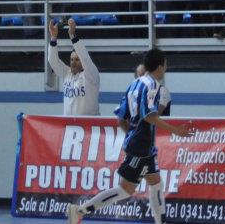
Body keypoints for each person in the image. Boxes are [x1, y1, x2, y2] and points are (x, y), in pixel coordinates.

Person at [66, 48, 192, 224]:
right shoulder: (152, 85)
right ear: (159, 67)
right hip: (141, 146)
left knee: (156, 184)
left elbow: (121, 118)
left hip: (143, 146)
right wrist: (175, 131)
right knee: (125, 190)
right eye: (165, 65)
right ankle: (80, 211)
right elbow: (149, 116)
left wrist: (132, 135)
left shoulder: (135, 84)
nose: (165, 69)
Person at [47, 18, 100, 116]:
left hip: (89, 124)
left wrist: (72, 35)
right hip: (69, 124)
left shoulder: (91, 75)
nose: (73, 63)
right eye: (71, 59)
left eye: (77, 60)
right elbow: (52, 61)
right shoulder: (67, 74)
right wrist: (53, 38)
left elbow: (85, 57)